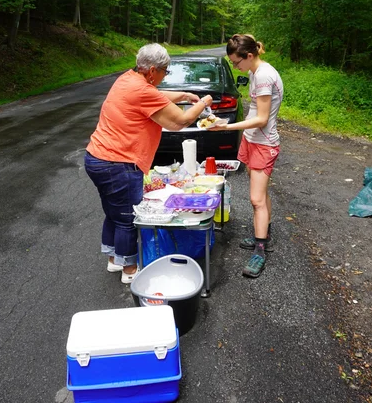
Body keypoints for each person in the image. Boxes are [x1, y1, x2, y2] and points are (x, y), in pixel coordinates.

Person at [84, 43, 214, 284]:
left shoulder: (127, 79)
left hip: (97, 158)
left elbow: (158, 97)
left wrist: (185, 96)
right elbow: (180, 122)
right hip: (118, 164)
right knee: (127, 218)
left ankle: (114, 260)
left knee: (113, 213)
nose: (165, 76)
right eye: (165, 71)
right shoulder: (142, 91)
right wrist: (203, 102)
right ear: (152, 70)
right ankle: (130, 270)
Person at [208, 34, 283, 278]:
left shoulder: (263, 76)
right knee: (261, 195)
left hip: (264, 143)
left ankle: (260, 250)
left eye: (236, 62)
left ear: (249, 56)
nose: (235, 66)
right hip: (252, 140)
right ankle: (265, 233)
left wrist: (225, 126)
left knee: (256, 200)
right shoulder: (254, 70)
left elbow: (261, 118)